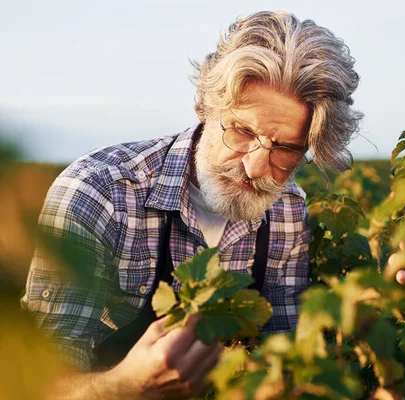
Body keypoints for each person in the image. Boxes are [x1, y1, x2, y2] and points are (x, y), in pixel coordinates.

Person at [21, 10, 362, 399]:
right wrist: (123, 387)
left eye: (285, 148)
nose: (254, 166)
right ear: (207, 107)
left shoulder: (286, 211)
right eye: (241, 131)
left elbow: (282, 355)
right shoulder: (100, 194)